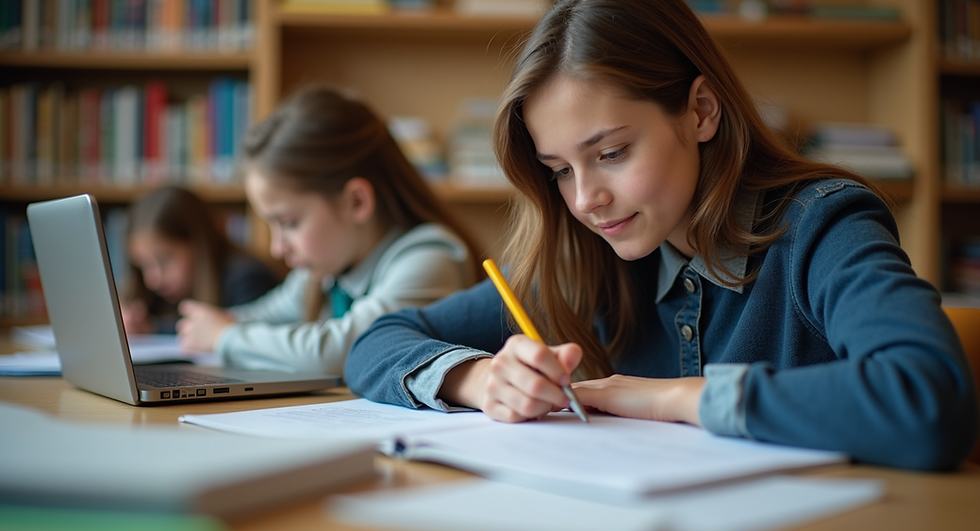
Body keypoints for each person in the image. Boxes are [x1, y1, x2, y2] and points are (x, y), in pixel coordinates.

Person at [345, 0, 979, 470]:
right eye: (561, 170)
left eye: (613, 152)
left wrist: (669, 398)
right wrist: (479, 381)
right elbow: (378, 343)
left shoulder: (822, 226)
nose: (586, 199)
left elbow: (928, 400)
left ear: (701, 111)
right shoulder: (583, 262)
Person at [175, 86, 481, 376]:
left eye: (290, 223)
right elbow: (260, 317)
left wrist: (225, 337)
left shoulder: (431, 258)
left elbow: (347, 350)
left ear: (356, 201)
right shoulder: (325, 272)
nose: (277, 248)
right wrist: (201, 325)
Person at [121, 186, 281, 334]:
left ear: (199, 244)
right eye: (142, 265)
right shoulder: (151, 297)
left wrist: (152, 327)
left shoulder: (248, 279)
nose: (153, 280)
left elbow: (247, 335)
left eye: (164, 261)